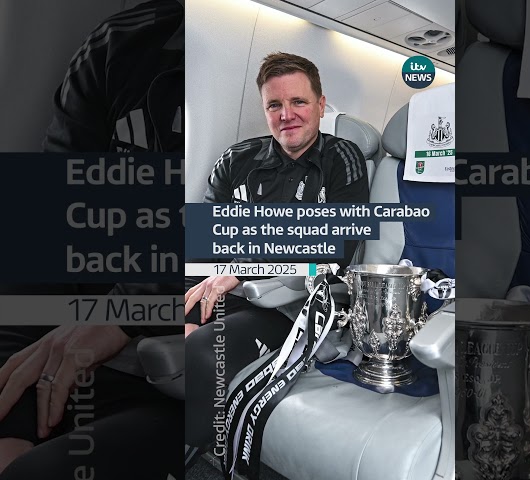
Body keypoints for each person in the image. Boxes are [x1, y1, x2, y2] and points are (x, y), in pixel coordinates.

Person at [0, 1, 184, 478]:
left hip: (177, 367)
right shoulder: (117, 45)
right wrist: (11, 427)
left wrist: (123, 310)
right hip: (71, 337)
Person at [184, 52, 369, 469]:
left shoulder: (343, 159)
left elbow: (334, 248)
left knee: (199, 353)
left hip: (290, 306)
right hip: (221, 287)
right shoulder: (237, 160)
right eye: (274, 105)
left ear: (321, 105)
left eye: (299, 102)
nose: (287, 115)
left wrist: (245, 265)